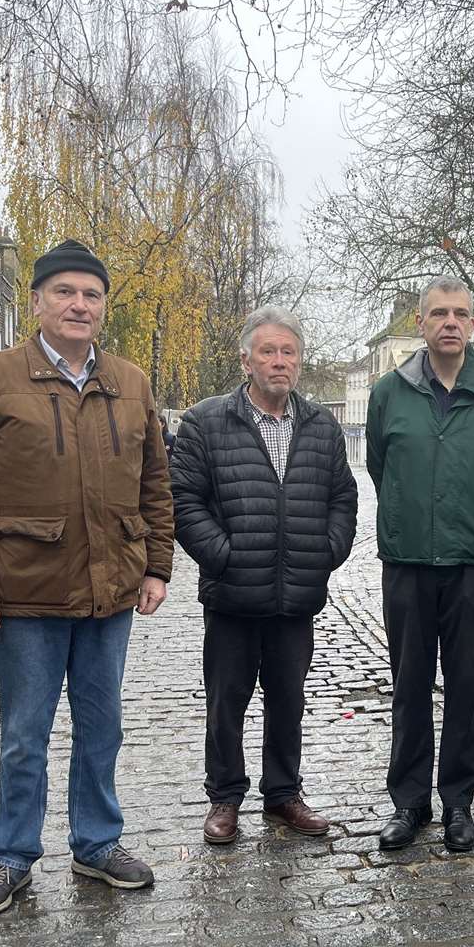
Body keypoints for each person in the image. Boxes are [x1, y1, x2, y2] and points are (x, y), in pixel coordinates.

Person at [0, 239, 174, 918]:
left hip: (110, 591)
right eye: (64, 292)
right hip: (23, 593)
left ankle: (97, 844)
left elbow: (155, 481)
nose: (78, 304)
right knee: (25, 732)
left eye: (91, 294)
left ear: (103, 307)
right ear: (36, 302)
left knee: (103, 727)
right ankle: (12, 856)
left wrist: (157, 563)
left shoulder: (131, 382)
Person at [170, 306, 358, 846]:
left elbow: (342, 496)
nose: (280, 362)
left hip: (296, 591)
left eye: (289, 352)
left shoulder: (321, 424)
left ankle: (283, 794)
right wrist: (221, 554)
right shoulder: (207, 421)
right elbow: (184, 500)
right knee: (225, 702)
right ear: (246, 359)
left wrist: (327, 549)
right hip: (232, 593)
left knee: (288, 698)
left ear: (299, 361)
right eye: (269, 351)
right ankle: (224, 798)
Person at [366, 275, 474, 852]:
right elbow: (381, 467)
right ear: (421, 323)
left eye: (460, 313)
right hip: (408, 562)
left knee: (467, 684)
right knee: (408, 686)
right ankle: (409, 803)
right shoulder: (388, 393)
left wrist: (471, 518)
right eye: (439, 314)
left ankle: (459, 803)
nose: (450, 322)